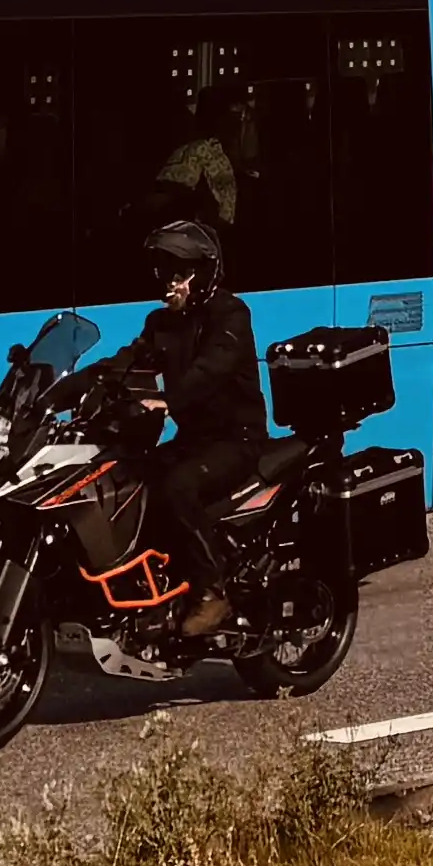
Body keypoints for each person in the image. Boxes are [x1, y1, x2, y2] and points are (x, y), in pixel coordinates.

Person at [92, 215, 271, 644]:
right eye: (163, 272)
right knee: (128, 477)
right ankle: (152, 586)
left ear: (204, 273)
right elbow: (126, 362)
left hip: (236, 440)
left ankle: (212, 591)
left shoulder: (230, 314)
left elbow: (211, 369)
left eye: (178, 274)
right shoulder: (162, 324)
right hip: (193, 441)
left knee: (176, 486)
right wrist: (69, 388)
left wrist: (170, 400)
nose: (167, 283)